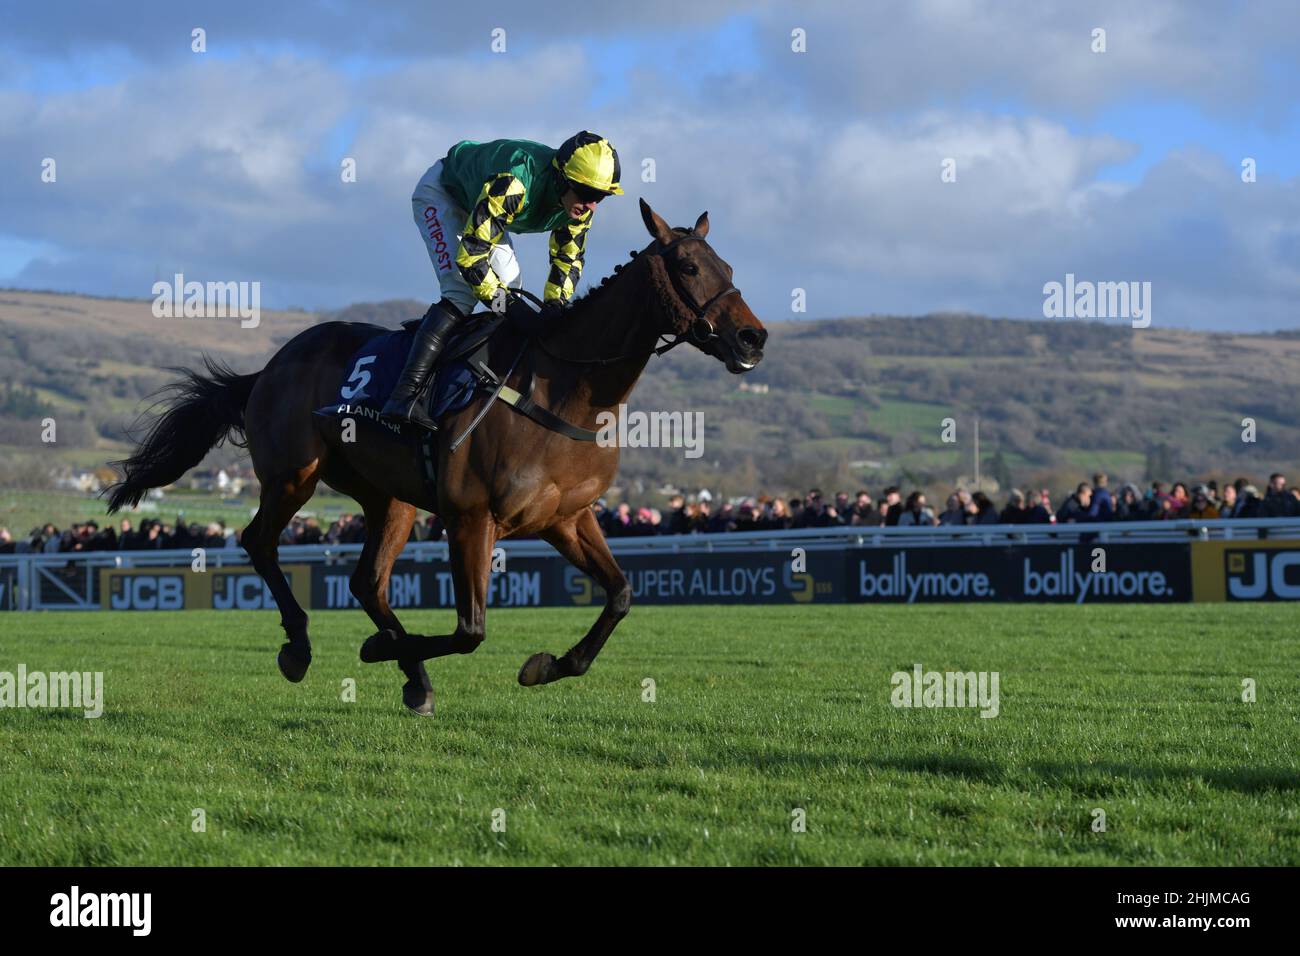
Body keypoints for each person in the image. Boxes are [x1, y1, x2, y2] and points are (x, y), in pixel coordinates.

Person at [381, 132, 625, 430]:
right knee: (462, 290)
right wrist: (507, 306)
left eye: (600, 197)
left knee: (514, 288)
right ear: (561, 179)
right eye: (586, 193)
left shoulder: (580, 207)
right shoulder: (514, 184)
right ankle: (404, 395)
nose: (591, 205)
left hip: (483, 209)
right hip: (444, 195)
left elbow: (567, 258)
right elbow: (471, 257)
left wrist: (555, 304)